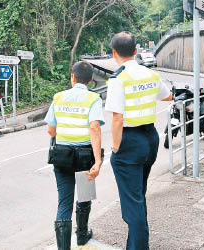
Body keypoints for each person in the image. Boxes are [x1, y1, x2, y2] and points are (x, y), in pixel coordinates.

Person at [105, 31, 173, 249]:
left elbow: (117, 118)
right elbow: (167, 96)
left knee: (133, 202)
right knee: (138, 195)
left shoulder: (118, 78)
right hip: (150, 139)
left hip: (129, 142)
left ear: (114, 53)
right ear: (136, 51)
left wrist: (116, 148)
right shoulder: (150, 74)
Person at [45, 61, 104, 250]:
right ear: (91, 80)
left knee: (64, 201)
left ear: (72, 77)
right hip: (85, 156)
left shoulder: (58, 97)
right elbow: (94, 128)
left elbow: (50, 130)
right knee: (85, 195)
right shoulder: (93, 99)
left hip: (62, 156)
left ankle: (63, 248)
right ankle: (82, 236)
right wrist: (98, 159)